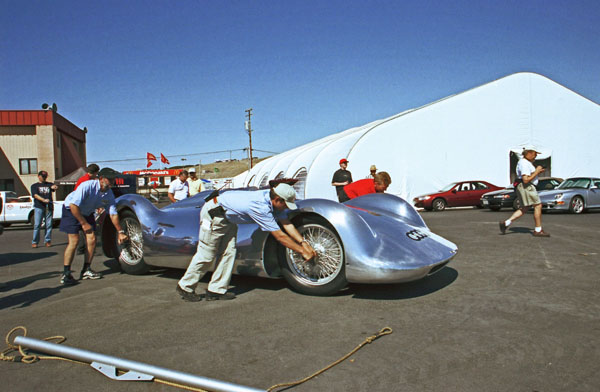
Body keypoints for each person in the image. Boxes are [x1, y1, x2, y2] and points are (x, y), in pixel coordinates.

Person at [176, 183, 317, 302]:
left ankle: (216, 290)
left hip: (228, 218)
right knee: (207, 254)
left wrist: (303, 242)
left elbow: (286, 224)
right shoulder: (259, 207)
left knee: (229, 253)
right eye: (286, 204)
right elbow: (280, 236)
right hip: (213, 216)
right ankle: (185, 286)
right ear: (278, 200)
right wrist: (302, 251)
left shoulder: (272, 200)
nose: (287, 208)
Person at [59, 174, 129, 285]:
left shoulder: (109, 193)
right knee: (74, 241)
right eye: (109, 179)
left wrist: (120, 232)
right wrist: (84, 223)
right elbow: (73, 206)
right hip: (72, 210)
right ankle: (66, 273)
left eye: (113, 179)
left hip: (87, 212)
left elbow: (113, 214)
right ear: (101, 179)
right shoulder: (87, 186)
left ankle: (86, 270)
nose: (112, 181)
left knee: (92, 239)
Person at [499, 146, 550, 237]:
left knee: (525, 208)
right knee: (538, 205)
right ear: (529, 153)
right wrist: (537, 172)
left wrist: (538, 172)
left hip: (524, 187)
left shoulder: (525, 163)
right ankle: (538, 230)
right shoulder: (524, 163)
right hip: (527, 186)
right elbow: (526, 179)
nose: (535, 156)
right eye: (535, 154)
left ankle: (506, 223)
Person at [75, 164, 100, 255]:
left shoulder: (82, 179)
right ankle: (83, 248)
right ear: (95, 173)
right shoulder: (86, 181)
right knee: (86, 229)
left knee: (84, 229)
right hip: (83, 208)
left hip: (83, 207)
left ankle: (85, 247)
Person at [30, 171, 58, 248]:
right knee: (37, 225)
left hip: (49, 207)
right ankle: (35, 242)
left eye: (45, 176)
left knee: (48, 225)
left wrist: (54, 187)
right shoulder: (34, 186)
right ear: (38, 176)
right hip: (39, 207)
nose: (44, 177)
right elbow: (35, 195)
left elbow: (54, 187)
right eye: (43, 176)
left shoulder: (49, 184)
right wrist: (43, 200)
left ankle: (47, 241)